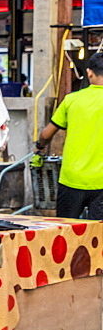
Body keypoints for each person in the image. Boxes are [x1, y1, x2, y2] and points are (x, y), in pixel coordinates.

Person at [36, 50, 103, 220]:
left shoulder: (72, 100)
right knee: (99, 237)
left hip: (72, 178)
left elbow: (46, 134)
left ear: (89, 73)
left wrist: (40, 146)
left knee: (66, 231)